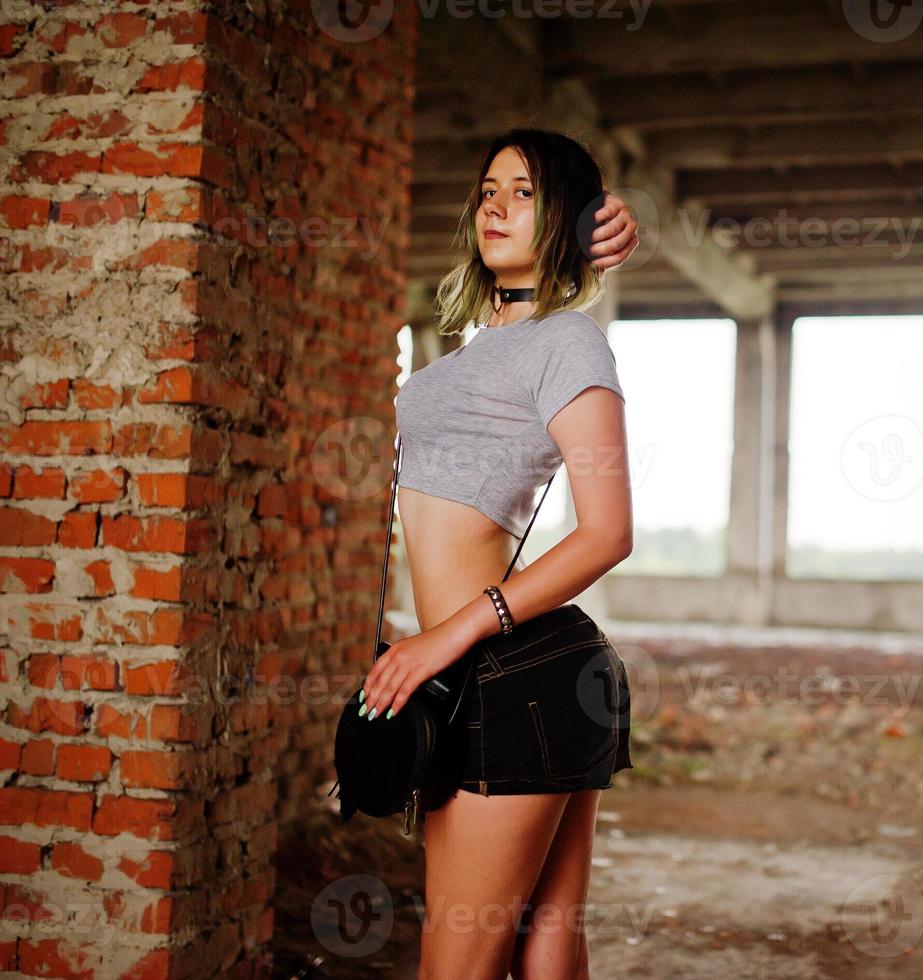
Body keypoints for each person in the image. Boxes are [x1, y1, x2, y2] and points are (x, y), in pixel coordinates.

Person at [358, 128, 637, 979]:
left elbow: (607, 532)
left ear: (566, 217)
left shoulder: (568, 339)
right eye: (488, 190)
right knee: (547, 955)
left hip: (513, 674)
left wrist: (444, 635)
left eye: (523, 192)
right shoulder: (490, 340)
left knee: (458, 964)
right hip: (517, 676)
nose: (496, 207)